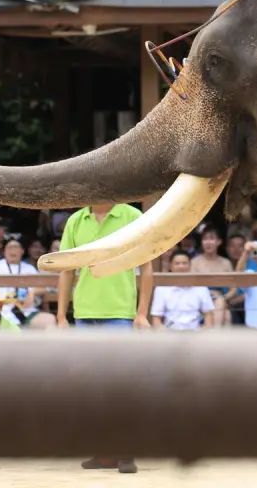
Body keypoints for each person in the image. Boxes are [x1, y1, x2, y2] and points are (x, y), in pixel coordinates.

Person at [57, 202, 152, 475]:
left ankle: (125, 450)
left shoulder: (132, 215)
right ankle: (103, 451)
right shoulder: (76, 219)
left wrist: (142, 313)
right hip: (85, 313)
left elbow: (146, 267)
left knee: (120, 384)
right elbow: (66, 270)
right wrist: (62, 316)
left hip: (120, 313)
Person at [0, 236, 54, 328]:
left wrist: (32, 293)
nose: (13, 251)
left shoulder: (29, 268)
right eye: (9, 248)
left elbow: (45, 287)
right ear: (4, 252)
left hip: (26, 311)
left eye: (16, 247)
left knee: (49, 320)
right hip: (3, 311)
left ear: (22, 251)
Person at [152, 250, 214, 330]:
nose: (181, 266)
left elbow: (208, 314)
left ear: (190, 265)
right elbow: (156, 318)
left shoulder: (200, 287)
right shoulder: (161, 288)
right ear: (170, 266)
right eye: (177, 263)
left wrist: (204, 332)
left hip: (196, 334)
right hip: (169, 333)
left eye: (184, 263)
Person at [190, 225, 233, 326]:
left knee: (226, 312)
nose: (208, 242)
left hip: (219, 298)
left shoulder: (225, 263)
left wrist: (224, 297)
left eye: (212, 238)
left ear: (219, 242)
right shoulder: (195, 262)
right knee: (224, 312)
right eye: (205, 239)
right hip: (199, 301)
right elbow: (190, 285)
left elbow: (233, 289)